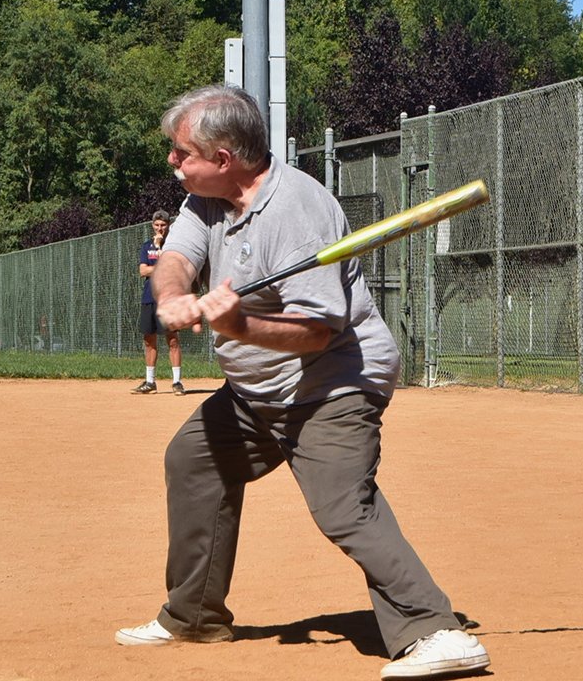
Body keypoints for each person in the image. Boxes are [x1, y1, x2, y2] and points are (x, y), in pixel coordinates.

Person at [113, 85, 490, 680]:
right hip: (258, 388)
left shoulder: (297, 212)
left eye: (182, 152)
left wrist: (238, 324)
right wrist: (174, 297)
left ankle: (435, 630)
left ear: (223, 158)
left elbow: (317, 331)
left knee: (342, 505)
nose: (172, 161)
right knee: (195, 461)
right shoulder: (205, 199)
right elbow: (177, 260)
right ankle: (193, 615)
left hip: (332, 380)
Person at [132, 210, 184, 395]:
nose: (160, 228)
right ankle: (150, 382)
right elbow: (142, 271)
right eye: (157, 225)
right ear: (152, 225)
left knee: (172, 339)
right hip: (149, 297)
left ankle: (177, 382)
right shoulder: (146, 246)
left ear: (168, 225)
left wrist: (159, 249)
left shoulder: (174, 245)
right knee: (149, 340)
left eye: (163, 225)